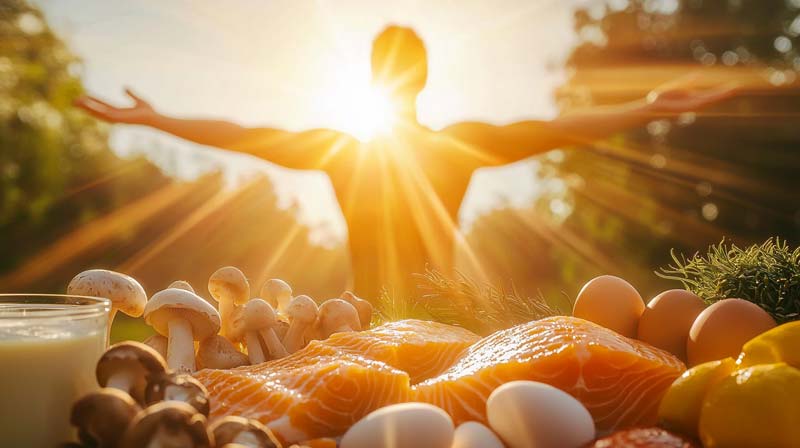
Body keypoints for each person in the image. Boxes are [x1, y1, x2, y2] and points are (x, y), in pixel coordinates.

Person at [77, 25, 735, 301]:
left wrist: (157, 118)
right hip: (375, 318)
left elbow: (246, 134)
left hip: (407, 318)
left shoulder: (347, 152)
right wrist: (647, 105)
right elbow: (556, 129)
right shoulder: (446, 146)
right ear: (422, 78)